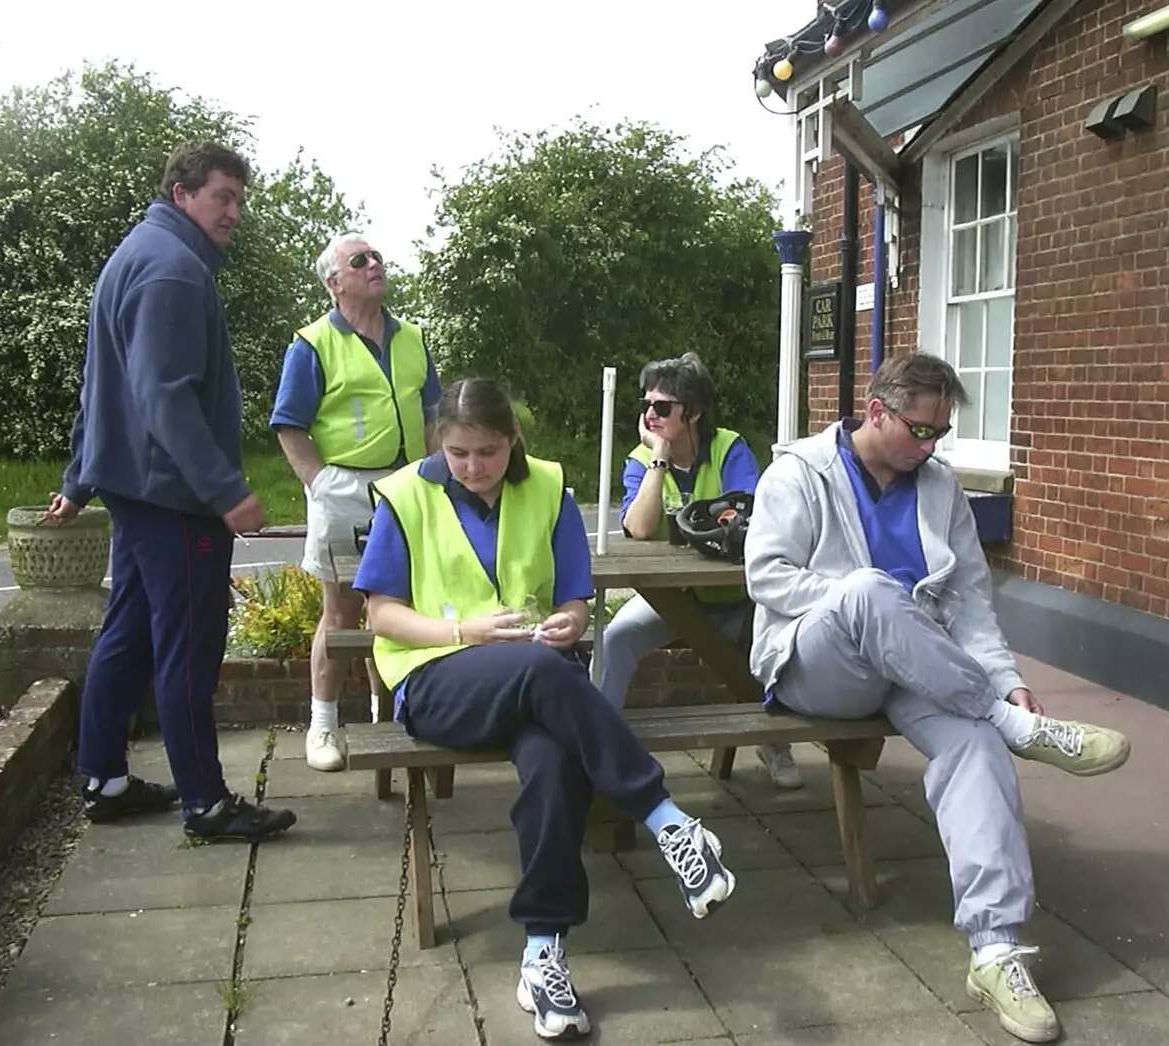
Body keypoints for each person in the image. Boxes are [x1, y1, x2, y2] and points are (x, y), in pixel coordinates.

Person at [744, 353, 1131, 1045]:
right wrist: (865, 603)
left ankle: (997, 950)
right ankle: (1005, 719)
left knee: (977, 748)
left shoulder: (940, 487)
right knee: (867, 591)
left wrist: (1006, 675)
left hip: (918, 669)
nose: (931, 446)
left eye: (940, 434)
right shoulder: (798, 472)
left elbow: (971, 601)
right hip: (817, 662)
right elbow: (768, 577)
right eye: (921, 431)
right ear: (877, 411)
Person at [354, 377, 737, 1041]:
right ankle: (666, 817)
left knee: (556, 760)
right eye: (459, 453)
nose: (472, 466)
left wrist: (566, 620)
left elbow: (573, 601)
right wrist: (463, 633)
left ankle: (542, 952)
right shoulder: (405, 494)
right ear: (439, 445)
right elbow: (380, 612)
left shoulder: (548, 490)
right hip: (436, 678)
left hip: (536, 681)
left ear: (513, 442)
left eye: (487, 452)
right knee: (542, 674)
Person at [46, 141, 296, 843]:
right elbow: (164, 397)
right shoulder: (173, 272)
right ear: (183, 192)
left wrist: (81, 475)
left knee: (128, 631)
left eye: (240, 199)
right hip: (174, 494)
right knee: (189, 646)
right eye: (223, 196)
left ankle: (105, 776)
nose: (234, 213)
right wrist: (225, 489)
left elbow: (103, 389)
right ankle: (207, 804)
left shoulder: (137, 254)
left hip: (134, 487)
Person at [270, 232, 443, 773]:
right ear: (334, 282)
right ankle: (323, 725)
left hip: (409, 486)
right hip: (345, 487)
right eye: (360, 260)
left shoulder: (412, 337)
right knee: (341, 611)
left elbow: (434, 416)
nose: (375, 265)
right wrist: (319, 483)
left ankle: (381, 713)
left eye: (377, 257)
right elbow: (289, 425)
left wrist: (440, 478)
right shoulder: (313, 343)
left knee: (398, 606)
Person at [600, 351, 802, 790]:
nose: (650, 415)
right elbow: (638, 528)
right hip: (672, 601)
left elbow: (749, 515)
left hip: (739, 598)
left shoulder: (729, 447)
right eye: (646, 405)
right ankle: (600, 753)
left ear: (692, 412)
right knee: (614, 638)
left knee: (777, 648)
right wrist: (659, 457)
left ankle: (776, 741)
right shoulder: (640, 459)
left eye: (663, 407)